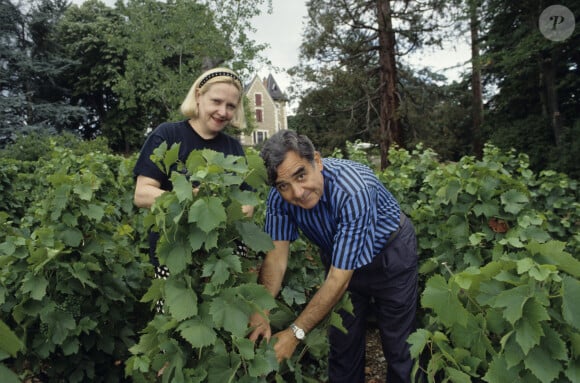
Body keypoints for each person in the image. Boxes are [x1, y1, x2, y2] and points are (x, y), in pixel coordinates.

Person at [248, 130, 418, 383]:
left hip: (390, 254)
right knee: (343, 341)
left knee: (400, 346)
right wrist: (260, 309)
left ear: (317, 161)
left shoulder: (353, 190)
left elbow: (339, 279)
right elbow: (275, 258)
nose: (297, 192)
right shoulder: (279, 198)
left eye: (301, 175)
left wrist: (295, 333)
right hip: (338, 254)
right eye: (284, 186)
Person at [133, 67, 253, 311]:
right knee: (171, 324)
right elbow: (142, 193)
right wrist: (190, 200)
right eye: (216, 101)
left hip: (220, 256)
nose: (223, 112)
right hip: (174, 251)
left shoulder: (233, 148)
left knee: (219, 322)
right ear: (198, 95)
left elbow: (247, 203)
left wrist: (233, 210)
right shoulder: (168, 134)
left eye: (231, 106)